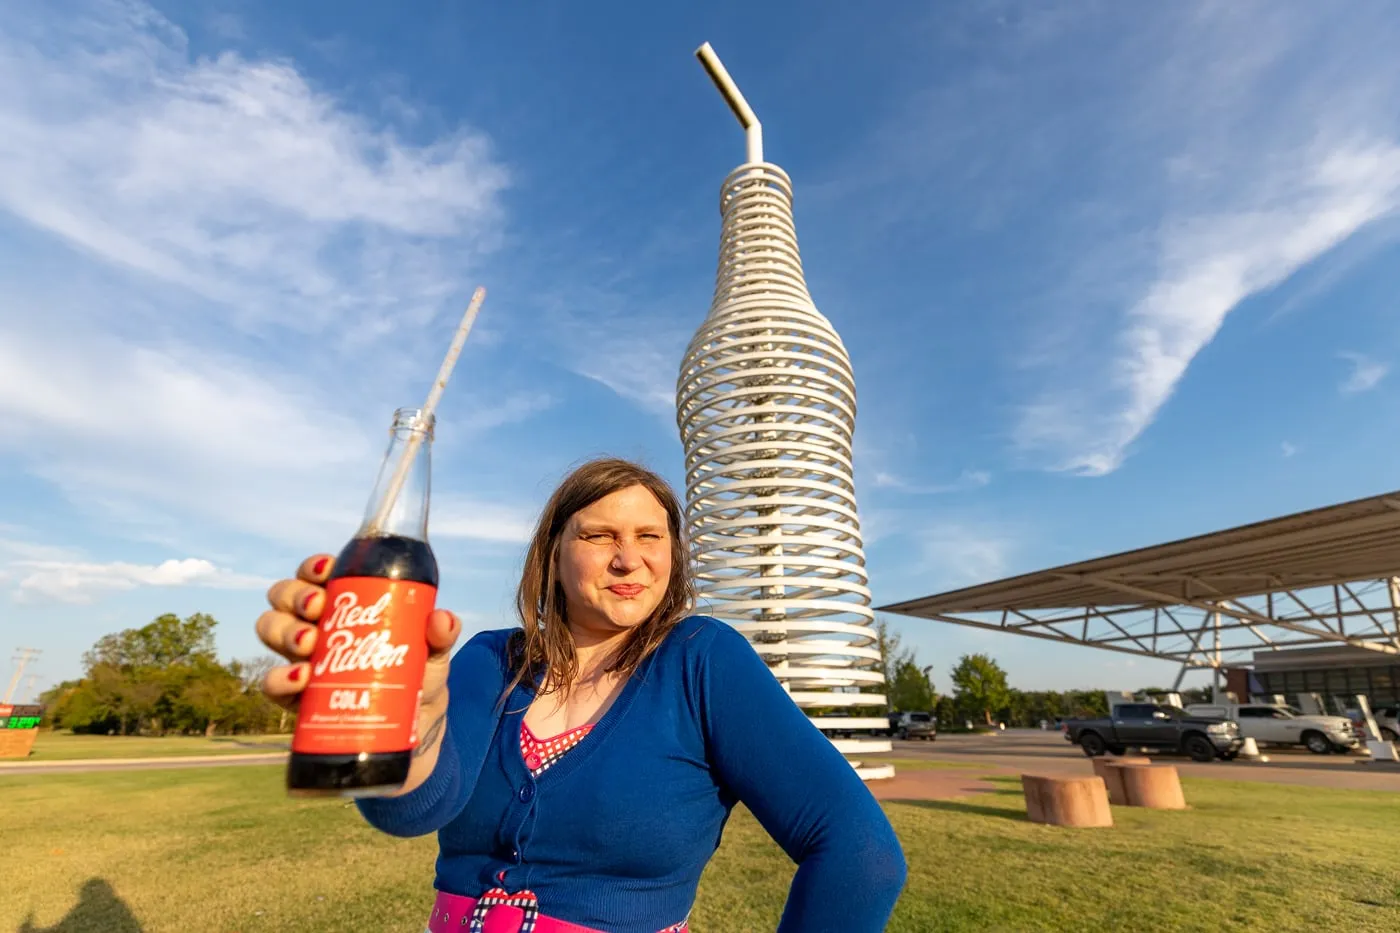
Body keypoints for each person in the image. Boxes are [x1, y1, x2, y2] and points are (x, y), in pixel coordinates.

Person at [257, 457, 906, 933]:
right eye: (599, 536)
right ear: (554, 551)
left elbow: (862, 853)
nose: (629, 558)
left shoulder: (701, 660)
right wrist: (409, 721)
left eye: (651, 537)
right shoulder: (491, 658)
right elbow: (411, 811)